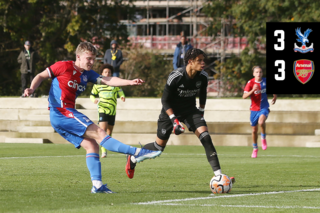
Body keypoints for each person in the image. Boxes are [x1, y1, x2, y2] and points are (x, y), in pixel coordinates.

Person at [24, 42, 161, 193]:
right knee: (99, 133)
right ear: (78, 57)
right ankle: (136, 152)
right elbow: (41, 75)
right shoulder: (63, 66)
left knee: (92, 146)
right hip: (61, 112)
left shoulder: (87, 74)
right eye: (88, 58)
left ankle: (97, 185)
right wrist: (32, 88)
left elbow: (107, 80)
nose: (91, 62)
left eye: (93, 59)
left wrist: (129, 82)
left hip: (62, 116)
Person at [125, 48, 234, 183]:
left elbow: (203, 94)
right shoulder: (176, 76)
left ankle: (219, 176)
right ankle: (133, 158)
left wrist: (200, 111)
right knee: (158, 148)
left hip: (190, 111)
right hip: (170, 112)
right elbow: (165, 100)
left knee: (206, 138)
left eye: (203, 60)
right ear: (190, 62)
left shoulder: (203, 76)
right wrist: (174, 120)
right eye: (199, 60)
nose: (203, 63)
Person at [90, 63, 125, 158]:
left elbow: (120, 90)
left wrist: (122, 96)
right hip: (102, 108)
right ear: (102, 73)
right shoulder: (98, 84)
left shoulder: (114, 83)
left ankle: (106, 147)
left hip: (112, 110)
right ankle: (103, 151)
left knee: (109, 132)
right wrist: (94, 100)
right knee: (103, 130)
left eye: (109, 72)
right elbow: (92, 95)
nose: (107, 73)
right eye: (105, 72)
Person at [243, 66, 277, 158]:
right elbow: (244, 96)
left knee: (261, 122)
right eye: (257, 72)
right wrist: (253, 90)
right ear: (253, 74)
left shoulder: (265, 81)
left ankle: (263, 137)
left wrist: (275, 96)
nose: (259, 74)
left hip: (264, 107)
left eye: (260, 72)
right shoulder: (250, 83)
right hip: (254, 109)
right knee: (254, 130)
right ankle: (255, 148)